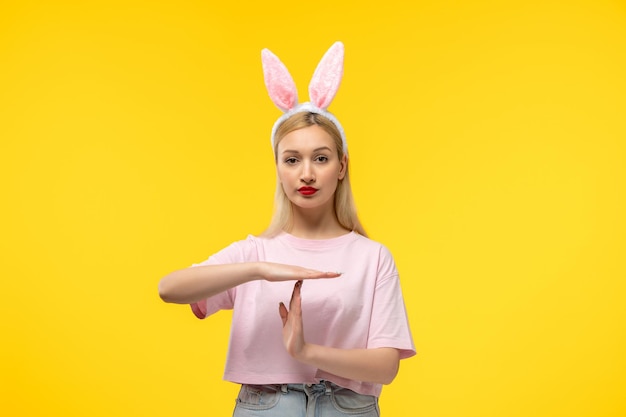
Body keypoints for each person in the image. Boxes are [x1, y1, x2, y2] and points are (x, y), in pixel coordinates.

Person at [158, 41, 416, 416]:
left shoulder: (372, 257)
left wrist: (305, 352)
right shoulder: (255, 253)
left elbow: (386, 366)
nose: (306, 174)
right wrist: (260, 270)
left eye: (321, 159)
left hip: (348, 409)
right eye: (292, 160)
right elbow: (168, 289)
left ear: (341, 166)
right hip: (264, 407)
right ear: (278, 168)